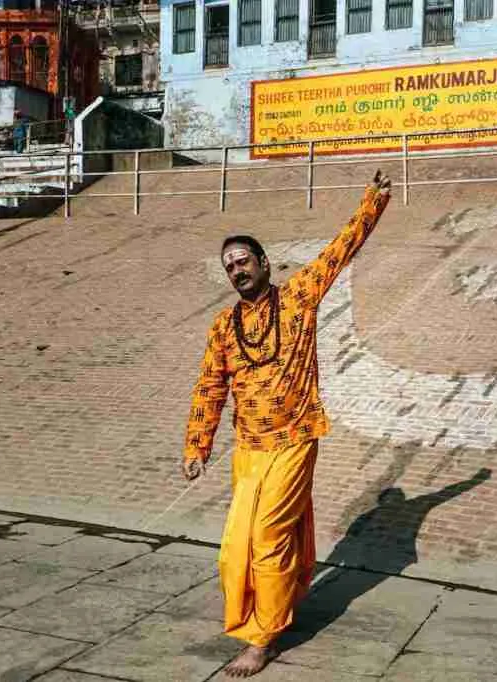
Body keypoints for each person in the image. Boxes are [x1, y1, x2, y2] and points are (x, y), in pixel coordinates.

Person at [182, 170, 393, 678]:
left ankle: (261, 638)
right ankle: (282, 602)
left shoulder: (298, 297)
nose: (237, 270)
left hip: (295, 438)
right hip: (248, 449)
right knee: (236, 547)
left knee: (270, 535)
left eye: (244, 260)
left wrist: (373, 203)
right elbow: (209, 387)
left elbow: (340, 251)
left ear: (264, 263)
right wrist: (198, 445)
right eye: (229, 266)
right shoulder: (223, 327)